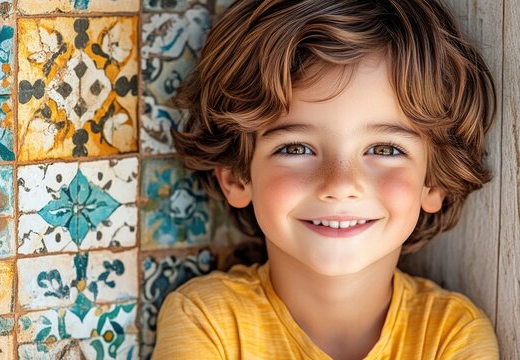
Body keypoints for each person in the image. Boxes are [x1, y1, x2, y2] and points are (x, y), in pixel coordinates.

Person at [152, 0, 499, 359]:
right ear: (237, 175)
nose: (340, 185)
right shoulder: (207, 322)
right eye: (297, 149)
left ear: (435, 181)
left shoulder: (452, 334)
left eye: (384, 149)